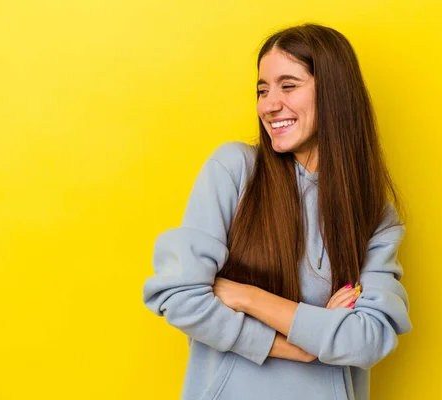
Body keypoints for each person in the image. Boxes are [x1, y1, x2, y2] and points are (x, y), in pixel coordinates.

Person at [143, 23, 412, 400]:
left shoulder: (373, 216)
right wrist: (299, 344)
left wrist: (245, 297)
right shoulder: (235, 171)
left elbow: (367, 339)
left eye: (288, 85)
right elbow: (179, 297)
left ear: (334, 93)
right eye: (262, 89)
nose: (269, 104)